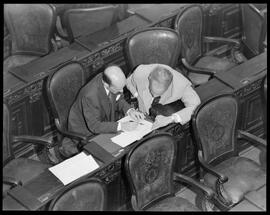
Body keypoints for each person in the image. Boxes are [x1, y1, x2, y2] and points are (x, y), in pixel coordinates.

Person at [68, 65, 145, 137]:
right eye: (118, 89)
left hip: (105, 121)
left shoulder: (110, 80)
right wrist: (121, 126)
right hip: (86, 132)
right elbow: (95, 126)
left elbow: (118, 100)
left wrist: (129, 110)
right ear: (106, 84)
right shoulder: (90, 96)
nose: (121, 91)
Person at [126, 64, 201, 130]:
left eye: (159, 94)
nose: (154, 96)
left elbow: (196, 106)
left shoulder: (181, 85)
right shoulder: (140, 73)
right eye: (152, 91)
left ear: (169, 86)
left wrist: (171, 119)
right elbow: (128, 82)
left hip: (168, 107)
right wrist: (137, 95)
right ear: (149, 78)